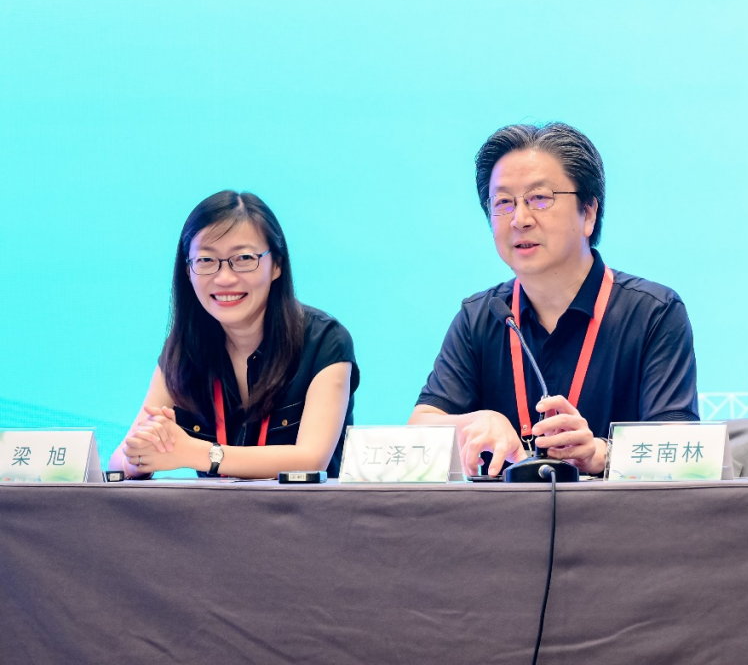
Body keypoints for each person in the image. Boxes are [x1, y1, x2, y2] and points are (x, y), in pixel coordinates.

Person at [408, 122, 698, 476]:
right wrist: (474, 422)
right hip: (502, 511)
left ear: (588, 213)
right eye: (503, 202)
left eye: (540, 199)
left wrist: (601, 453)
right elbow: (419, 429)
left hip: (616, 511)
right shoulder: (482, 316)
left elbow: (682, 450)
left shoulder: (653, 312)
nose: (520, 219)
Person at [108, 191, 360, 479]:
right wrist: (141, 455)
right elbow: (119, 460)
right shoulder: (186, 347)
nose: (224, 278)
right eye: (206, 260)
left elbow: (310, 458)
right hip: (214, 510)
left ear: (277, 265)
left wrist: (193, 452)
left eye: (243, 258)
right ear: (188, 271)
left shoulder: (325, 341)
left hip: (303, 509)